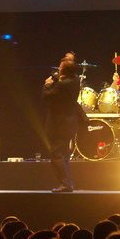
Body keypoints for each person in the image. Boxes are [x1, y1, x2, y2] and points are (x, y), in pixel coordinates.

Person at [42, 52, 82, 192]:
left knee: (56, 153)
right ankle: (67, 182)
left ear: (65, 71)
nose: (58, 69)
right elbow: (63, 79)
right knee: (64, 154)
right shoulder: (75, 80)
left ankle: (65, 183)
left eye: (60, 67)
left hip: (59, 124)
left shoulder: (62, 85)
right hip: (70, 123)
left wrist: (47, 85)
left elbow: (46, 96)